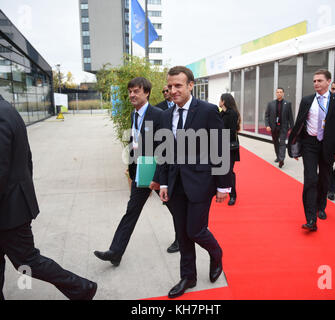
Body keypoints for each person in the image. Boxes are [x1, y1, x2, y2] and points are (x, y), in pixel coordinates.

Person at [0, 62, 97, 300]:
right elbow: (26, 161)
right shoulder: (6, 110)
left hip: (5, 213)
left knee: (27, 260)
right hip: (4, 209)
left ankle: (82, 288)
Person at [155, 66, 231, 299]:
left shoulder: (207, 111)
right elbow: (164, 152)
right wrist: (164, 183)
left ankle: (216, 253)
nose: (173, 90)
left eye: (178, 85)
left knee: (195, 230)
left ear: (190, 85)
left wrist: (222, 186)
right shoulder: (166, 115)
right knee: (182, 232)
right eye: (170, 86)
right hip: (175, 184)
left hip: (201, 182)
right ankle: (188, 276)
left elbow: (220, 148)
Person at [93, 77, 177, 267]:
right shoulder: (134, 115)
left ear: (146, 93)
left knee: (173, 207)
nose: (132, 95)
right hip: (142, 170)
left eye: (136, 91)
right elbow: (136, 143)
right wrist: (132, 166)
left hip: (157, 171)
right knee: (131, 211)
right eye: (130, 91)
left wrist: (161, 178)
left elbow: (166, 147)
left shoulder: (159, 114)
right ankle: (116, 251)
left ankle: (181, 238)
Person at [288, 69, 335, 232]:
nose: (316, 83)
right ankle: (310, 219)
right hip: (310, 144)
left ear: (328, 82)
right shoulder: (307, 100)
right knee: (310, 179)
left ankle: (320, 207)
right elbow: (299, 124)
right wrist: (296, 147)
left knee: (324, 178)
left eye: (320, 80)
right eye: (314, 81)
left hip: (329, 146)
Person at [154, 84, 179, 253]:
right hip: (163, 165)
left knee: (178, 208)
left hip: (183, 168)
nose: (167, 92)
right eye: (164, 90)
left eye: (168, 90)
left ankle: (181, 237)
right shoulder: (160, 111)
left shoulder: (185, 108)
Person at [219, 93, 241, 206]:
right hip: (221, 146)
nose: (219, 101)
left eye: (220, 99)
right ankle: (223, 190)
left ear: (224, 101)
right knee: (223, 170)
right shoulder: (221, 113)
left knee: (229, 171)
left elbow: (231, 132)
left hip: (229, 147)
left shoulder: (231, 114)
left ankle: (233, 195)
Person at [265, 87, 294, 168]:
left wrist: (292, 128)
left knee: (282, 142)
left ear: (283, 93)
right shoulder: (270, 104)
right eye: (277, 92)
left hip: (283, 127)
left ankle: (281, 159)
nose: (279, 93)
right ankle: (278, 156)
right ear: (276, 93)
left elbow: (290, 117)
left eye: (281, 92)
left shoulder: (287, 104)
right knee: (276, 142)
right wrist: (267, 125)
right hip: (273, 127)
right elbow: (267, 116)